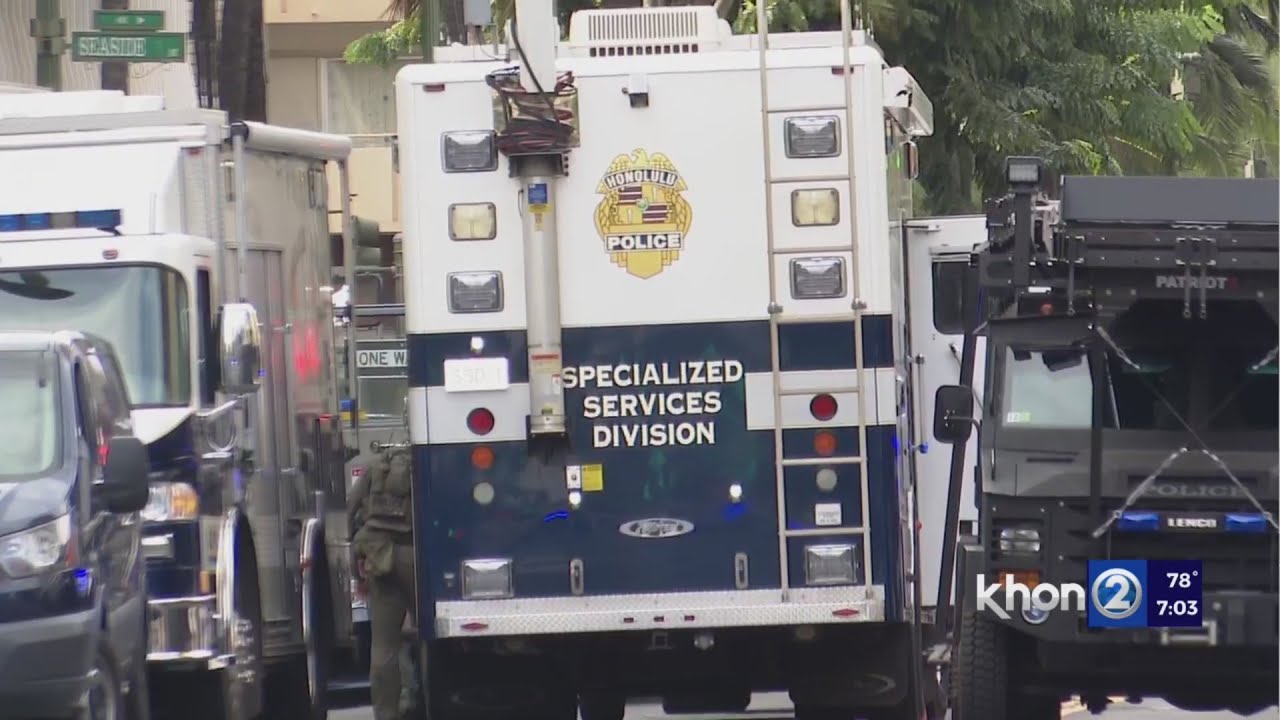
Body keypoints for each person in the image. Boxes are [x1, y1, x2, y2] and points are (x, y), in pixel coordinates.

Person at [350, 446, 418, 720]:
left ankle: (386, 713)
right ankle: (422, 700)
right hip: (416, 558)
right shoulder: (420, 467)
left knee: (383, 646)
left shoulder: (372, 469)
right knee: (430, 636)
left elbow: (351, 509)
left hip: (380, 558)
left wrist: (357, 555)